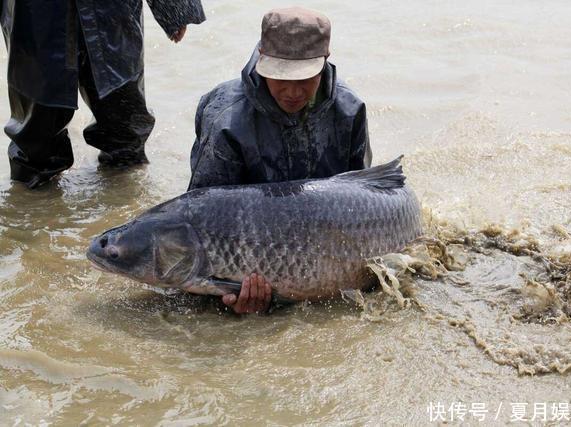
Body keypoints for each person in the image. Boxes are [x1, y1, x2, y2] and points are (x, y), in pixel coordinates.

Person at [188, 7, 372, 314]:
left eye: (305, 79)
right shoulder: (225, 120)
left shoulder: (349, 110)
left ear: (324, 61)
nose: (292, 92)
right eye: (280, 78)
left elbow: (361, 198)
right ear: (261, 58)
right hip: (249, 245)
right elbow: (204, 216)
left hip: (325, 237)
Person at [0, 0, 206, 189]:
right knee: (36, 132)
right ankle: (33, 212)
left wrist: (173, 9)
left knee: (124, 119)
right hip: (34, 11)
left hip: (110, 10)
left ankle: (124, 203)